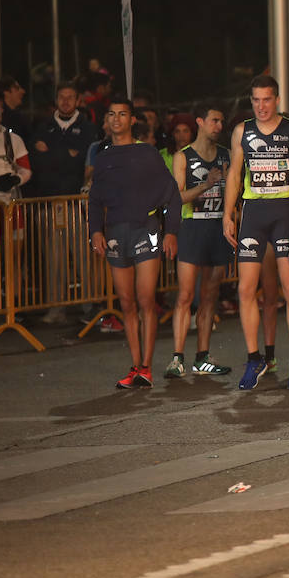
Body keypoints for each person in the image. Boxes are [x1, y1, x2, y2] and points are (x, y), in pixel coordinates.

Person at [223, 75, 289, 390]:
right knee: (246, 290)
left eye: (267, 100)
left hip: (284, 212)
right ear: (251, 101)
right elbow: (235, 173)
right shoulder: (242, 131)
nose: (261, 106)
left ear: (276, 100)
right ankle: (253, 357)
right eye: (256, 100)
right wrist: (227, 214)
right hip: (253, 213)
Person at [88, 99, 181, 388]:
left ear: (131, 120)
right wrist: (96, 231)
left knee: (145, 300)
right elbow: (94, 198)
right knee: (126, 302)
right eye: (111, 115)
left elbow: (172, 194)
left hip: (146, 230)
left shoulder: (147, 153)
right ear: (107, 120)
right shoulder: (102, 156)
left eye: (122, 115)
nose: (116, 120)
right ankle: (134, 365)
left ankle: (146, 367)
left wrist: (171, 232)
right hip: (116, 232)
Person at [167, 103, 233, 378]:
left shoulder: (226, 155)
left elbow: (234, 191)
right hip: (192, 227)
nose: (219, 126)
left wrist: (231, 183)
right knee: (185, 295)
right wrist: (206, 184)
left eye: (221, 121)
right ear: (201, 122)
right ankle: (177, 358)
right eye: (215, 120)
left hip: (217, 226)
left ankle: (202, 357)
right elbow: (176, 197)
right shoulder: (184, 157)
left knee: (209, 296)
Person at [29, 82, 99, 325]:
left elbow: (80, 163)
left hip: (76, 204)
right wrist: (65, 154)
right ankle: (55, 308)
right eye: (62, 97)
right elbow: (39, 164)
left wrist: (51, 153)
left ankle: (90, 307)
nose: (66, 101)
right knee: (53, 259)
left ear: (78, 99)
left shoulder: (88, 128)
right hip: (49, 204)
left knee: (83, 257)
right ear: (56, 100)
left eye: (71, 97)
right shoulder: (43, 127)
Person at [0, 102, 32, 204]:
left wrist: (16, 179)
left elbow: (26, 170)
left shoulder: (13, 140)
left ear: (0, 118)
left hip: (8, 198)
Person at [0, 77, 31, 143]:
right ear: (6, 92)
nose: (23, 91)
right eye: (17, 88)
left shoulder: (20, 117)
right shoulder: (0, 119)